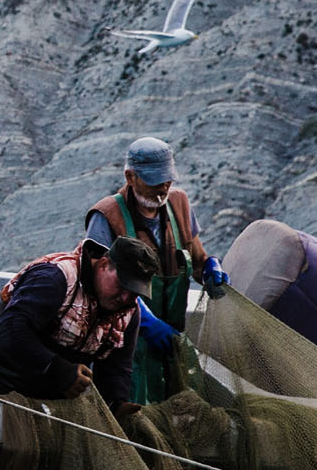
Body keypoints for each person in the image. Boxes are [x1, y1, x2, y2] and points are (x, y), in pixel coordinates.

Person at [82, 136, 228, 402]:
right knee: (131, 411)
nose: (162, 190)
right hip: (123, 348)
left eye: (167, 182)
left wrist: (209, 267)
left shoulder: (179, 205)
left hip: (168, 346)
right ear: (130, 177)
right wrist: (146, 321)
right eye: (153, 184)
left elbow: (196, 260)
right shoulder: (106, 216)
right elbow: (94, 283)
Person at [0, 235, 158, 412]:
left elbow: (116, 368)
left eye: (134, 293)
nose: (125, 298)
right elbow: (8, 332)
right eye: (122, 286)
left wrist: (116, 404)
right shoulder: (56, 277)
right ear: (103, 265)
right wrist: (58, 369)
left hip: (37, 401)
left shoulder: (129, 313)